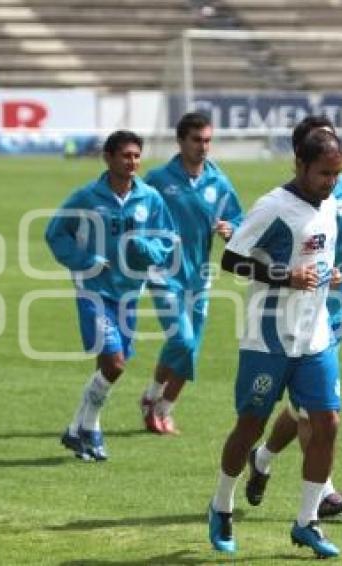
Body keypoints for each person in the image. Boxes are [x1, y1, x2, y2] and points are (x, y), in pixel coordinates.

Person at [208, 129, 342, 558]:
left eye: (337, 173)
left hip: (314, 337)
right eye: (324, 173)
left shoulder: (329, 206)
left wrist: (327, 275)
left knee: (327, 423)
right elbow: (231, 259)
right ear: (300, 165)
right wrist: (285, 278)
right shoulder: (273, 207)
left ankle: (307, 522)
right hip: (267, 338)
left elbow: (313, 257)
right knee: (250, 426)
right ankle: (221, 506)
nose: (331, 181)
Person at [244, 117, 342, 520]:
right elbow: (250, 247)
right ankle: (323, 494)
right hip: (292, 315)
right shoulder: (285, 202)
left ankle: (264, 458)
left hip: (336, 312)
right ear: (302, 158)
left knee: (307, 406)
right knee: (316, 409)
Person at [45, 130, 178, 462]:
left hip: (129, 290)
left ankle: (79, 430)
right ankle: (89, 428)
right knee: (115, 363)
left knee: (110, 364)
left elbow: (167, 240)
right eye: (124, 156)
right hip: (94, 290)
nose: (131, 162)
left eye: (136, 156)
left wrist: (145, 249)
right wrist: (86, 261)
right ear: (108, 158)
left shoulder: (150, 198)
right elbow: (55, 233)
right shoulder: (87, 197)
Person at [137, 112, 243, 434]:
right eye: (196, 140)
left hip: (200, 275)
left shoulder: (218, 182)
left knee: (190, 346)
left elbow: (241, 221)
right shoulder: (158, 180)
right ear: (180, 141)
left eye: (208, 140)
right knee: (181, 340)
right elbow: (137, 215)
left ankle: (164, 408)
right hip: (164, 273)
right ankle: (152, 396)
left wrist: (231, 230)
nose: (203, 147)